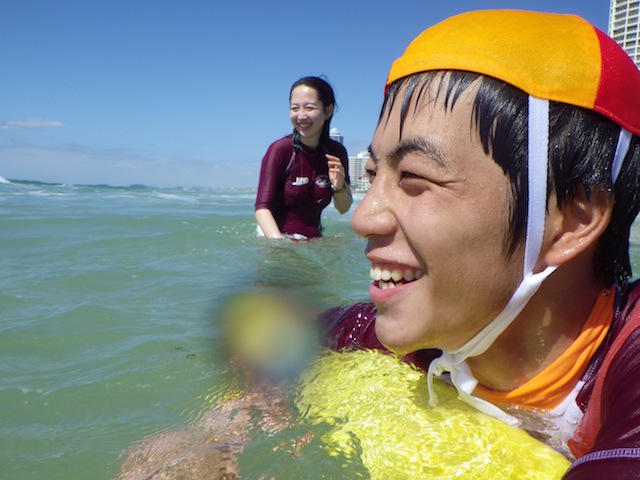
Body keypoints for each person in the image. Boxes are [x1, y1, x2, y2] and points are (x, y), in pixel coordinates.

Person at [321, 9, 640, 478]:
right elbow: (284, 333)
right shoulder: (431, 332)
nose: (363, 218)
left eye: (413, 177)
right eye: (373, 174)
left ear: (572, 219)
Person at [255, 76, 352, 240]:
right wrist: (281, 245)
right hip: (277, 237)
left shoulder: (336, 152)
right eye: (294, 108)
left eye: (309, 108)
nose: (300, 116)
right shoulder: (280, 150)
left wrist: (339, 187)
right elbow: (262, 208)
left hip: (313, 239)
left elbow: (343, 209)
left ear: (328, 111)